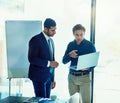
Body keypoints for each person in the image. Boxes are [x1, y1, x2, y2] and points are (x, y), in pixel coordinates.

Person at [62, 24, 96, 103]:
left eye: (81, 35)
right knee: (74, 101)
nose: (79, 37)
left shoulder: (90, 45)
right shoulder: (70, 45)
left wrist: (88, 68)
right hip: (72, 78)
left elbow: (94, 63)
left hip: (85, 78)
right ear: (73, 34)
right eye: (77, 35)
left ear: (84, 34)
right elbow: (64, 61)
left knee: (86, 101)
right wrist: (70, 55)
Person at [28, 18, 59, 98]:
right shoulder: (35, 40)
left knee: (47, 100)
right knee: (41, 100)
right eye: (52, 30)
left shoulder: (51, 41)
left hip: (48, 77)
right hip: (38, 77)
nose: (55, 32)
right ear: (45, 29)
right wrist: (49, 63)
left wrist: (52, 79)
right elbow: (32, 59)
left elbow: (52, 60)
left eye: (55, 30)